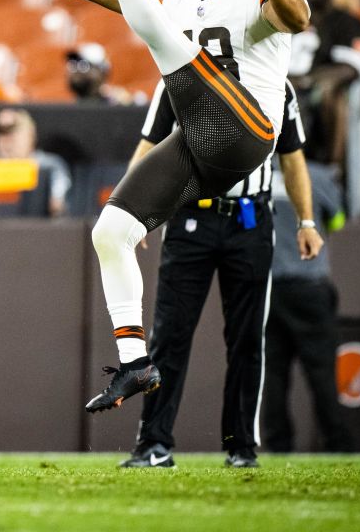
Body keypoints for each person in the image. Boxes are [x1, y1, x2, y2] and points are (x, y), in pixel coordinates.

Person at [0, 0, 310, 414]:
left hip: (249, 132)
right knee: (111, 230)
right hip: (201, 142)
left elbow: (298, 17)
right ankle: (135, 363)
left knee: (171, 45)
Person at [119, 80, 319, 469]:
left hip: (250, 218)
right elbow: (148, 147)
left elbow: (293, 157)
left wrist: (306, 220)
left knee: (247, 339)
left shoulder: (278, 85)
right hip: (191, 215)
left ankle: (241, 445)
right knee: (170, 335)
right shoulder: (180, 75)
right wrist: (132, 210)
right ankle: (154, 444)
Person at [262, 160, 354, 454]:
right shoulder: (316, 176)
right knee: (322, 372)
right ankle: (336, 443)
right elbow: (338, 221)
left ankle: (278, 445)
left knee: (273, 373)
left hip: (267, 287)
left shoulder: (255, 176)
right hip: (308, 285)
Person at [289, 0, 360, 167]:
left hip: (318, 93)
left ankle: (334, 172)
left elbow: (354, 66)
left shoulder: (346, 21)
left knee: (332, 95)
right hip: (281, 86)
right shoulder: (282, 20)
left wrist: (312, 80)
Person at [0, 108, 72, 217]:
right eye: (0, 133)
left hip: (36, 229)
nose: (7, 140)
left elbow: (58, 206)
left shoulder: (49, 166)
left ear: (30, 134)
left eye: (13, 133)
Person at [65, 42, 131, 104]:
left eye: (84, 65)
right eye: (73, 64)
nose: (77, 71)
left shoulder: (117, 104)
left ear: (102, 72)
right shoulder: (70, 109)